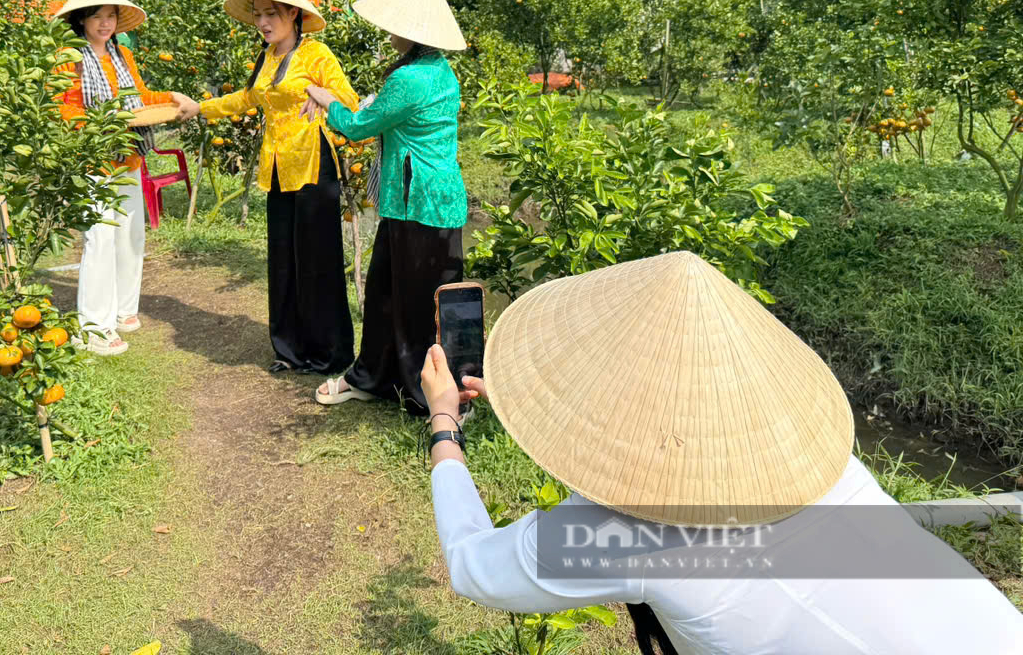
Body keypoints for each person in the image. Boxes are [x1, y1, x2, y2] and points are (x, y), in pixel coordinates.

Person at [418, 251, 1023, 655]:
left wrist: (445, 423)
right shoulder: (813, 457)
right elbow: (660, 448)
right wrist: (549, 404)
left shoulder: (621, 536)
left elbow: (476, 566)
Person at [174, 0, 359, 374]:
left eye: (271, 13)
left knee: (318, 260)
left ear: (294, 13)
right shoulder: (267, 57)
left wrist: (322, 97)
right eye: (258, 14)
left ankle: (329, 354)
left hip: (313, 164)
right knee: (284, 260)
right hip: (277, 168)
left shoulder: (317, 55)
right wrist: (200, 108)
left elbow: (349, 98)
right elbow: (247, 98)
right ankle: (290, 350)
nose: (262, 22)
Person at [302, 0, 468, 416]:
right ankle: (374, 377)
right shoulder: (438, 71)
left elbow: (355, 127)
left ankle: (426, 396)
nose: (389, 32)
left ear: (412, 33)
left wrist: (323, 97)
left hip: (420, 205)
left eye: (396, 25)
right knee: (390, 294)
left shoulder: (410, 80)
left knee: (415, 304)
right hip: (428, 202)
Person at [55, 0, 181, 356]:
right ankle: (94, 325)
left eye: (110, 16)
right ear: (81, 20)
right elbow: (60, 108)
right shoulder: (68, 58)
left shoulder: (120, 55)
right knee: (99, 239)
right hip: (93, 158)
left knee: (129, 235)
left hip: (126, 156)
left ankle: (124, 308)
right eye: (97, 16)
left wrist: (172, 98)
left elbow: (138, 97)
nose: (105, 23)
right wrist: (102, 123)